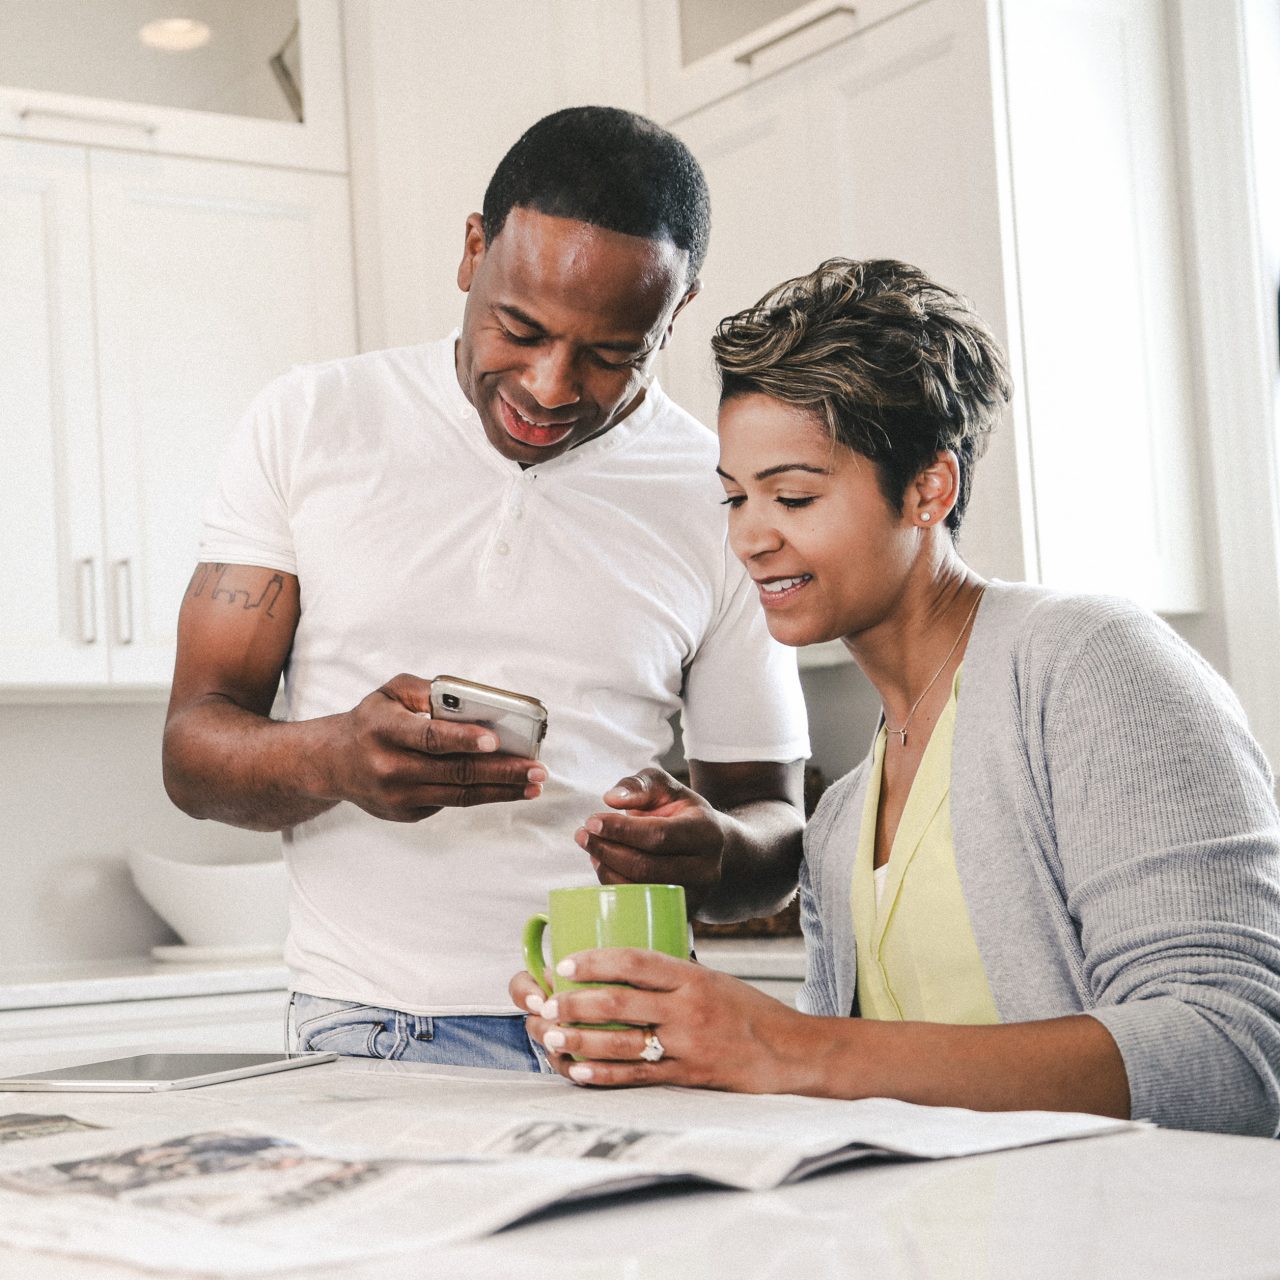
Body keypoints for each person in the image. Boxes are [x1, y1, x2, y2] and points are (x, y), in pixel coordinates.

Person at [513, 258, 1280, 1136]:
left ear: (929, 487)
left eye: (793, 495)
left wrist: (788, 1045)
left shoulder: (1090, 664)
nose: (751, 538)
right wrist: (656, 1039)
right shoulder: (842, 818)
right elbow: (853, 1094)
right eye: (734, 499)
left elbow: (1233, 1052)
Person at [162, 107, 810, 1072]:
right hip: (366, 1029)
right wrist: (339, 755)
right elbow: (192, 751)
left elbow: (774, 823)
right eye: (521, 328)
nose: (551, 389)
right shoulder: (311, 422)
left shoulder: (720, 485)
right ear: (473, 251)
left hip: (625, 1031)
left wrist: (712, 854)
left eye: (610, 354)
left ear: (675, 313)